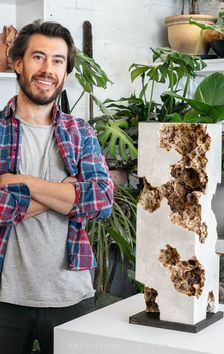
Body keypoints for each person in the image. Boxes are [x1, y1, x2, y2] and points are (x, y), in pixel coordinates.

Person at [0, 21, 114, 354]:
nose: (47, 69)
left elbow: (102, 199)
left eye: (58, 61)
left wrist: (22, 182)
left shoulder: (80, 133)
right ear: (18, 62)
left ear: (65, 72)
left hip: (71, 296)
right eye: (38, 57)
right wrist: (63, 194)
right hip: (5, 298)